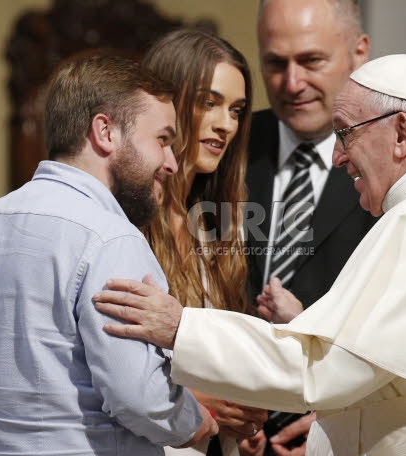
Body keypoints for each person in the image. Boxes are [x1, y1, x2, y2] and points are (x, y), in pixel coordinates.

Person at [92, 54, 406, 455]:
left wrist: (182, 328)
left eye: (346, 134)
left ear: (401, 132)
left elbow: (325, 369)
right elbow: (392, 365)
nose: (338, 158)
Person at [0, 53, 218, 454]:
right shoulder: (112, 239)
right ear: (105, 132)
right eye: (163, 139)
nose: (171, 163)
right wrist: (192, 423)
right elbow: (139, 396)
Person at [246, 1, 374, 452]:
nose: (292, 83)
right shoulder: (225, 146)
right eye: (276, 63)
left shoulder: (404, 164)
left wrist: (345, 417)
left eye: (311, 61)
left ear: (359, 53)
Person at [139, 29, 267, 456]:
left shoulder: (213, 226)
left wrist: (237, 424)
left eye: (236, 109)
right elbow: (96, 366)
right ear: (167, 102)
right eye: (208, 102)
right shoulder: (126, 220)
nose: (226, 124)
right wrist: (194, 405)